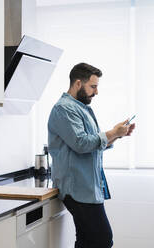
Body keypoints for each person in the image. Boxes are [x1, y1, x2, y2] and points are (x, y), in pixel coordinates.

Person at [47, 62, 135, 248]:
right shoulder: (64, 109)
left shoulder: (79, 108)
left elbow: (93, 144)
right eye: (93, 87)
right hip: (77, 189)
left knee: (87, 241)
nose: (96, 92)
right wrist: (112, 132)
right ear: (78, 83)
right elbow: (81, 143)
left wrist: (117, 135)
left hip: (87, 187)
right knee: (102, 239)